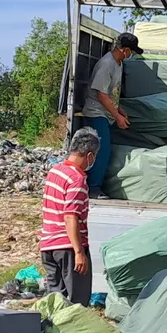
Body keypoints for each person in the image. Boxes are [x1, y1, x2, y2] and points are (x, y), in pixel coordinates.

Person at [40, 127, 98, 306]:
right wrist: (80, 253)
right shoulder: (77, 179)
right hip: (68, 249)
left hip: (48, 246)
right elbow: (70, 216)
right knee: (76, 305)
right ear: (89, 155)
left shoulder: (55, 171)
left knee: (56, 302)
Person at [83, 33, 135, 198]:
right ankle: (93, 188)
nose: (131, 55)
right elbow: (101, 95)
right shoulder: (106, 65)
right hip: (96, 112)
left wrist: (119, 110)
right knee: (101, 150)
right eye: (131, 51)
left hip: (106, 112)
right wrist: (117, 116)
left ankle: (97, 185)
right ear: (125, 50)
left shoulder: (118, 64)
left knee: (105, 150)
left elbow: (111, 93)